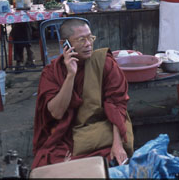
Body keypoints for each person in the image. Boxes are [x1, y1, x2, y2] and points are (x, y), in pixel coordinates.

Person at [32, 19, 133, 169]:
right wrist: (70, 76)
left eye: (90, 38)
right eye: (81, 40)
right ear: (64, 44)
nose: (88, 44)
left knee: (110, 157)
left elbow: (117, 106)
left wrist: (117, 145)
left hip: (102, 127)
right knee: (51, 162)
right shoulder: (52, 72)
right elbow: (57, 113)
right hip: (69, 132)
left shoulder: (105, 63)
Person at [4, 0, 46, 67]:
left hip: (35, 22)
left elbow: (41, 5)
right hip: (18, 22)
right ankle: (29, 53)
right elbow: (8, 6)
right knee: (21, 24)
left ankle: (19, 60)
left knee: (23, 25)